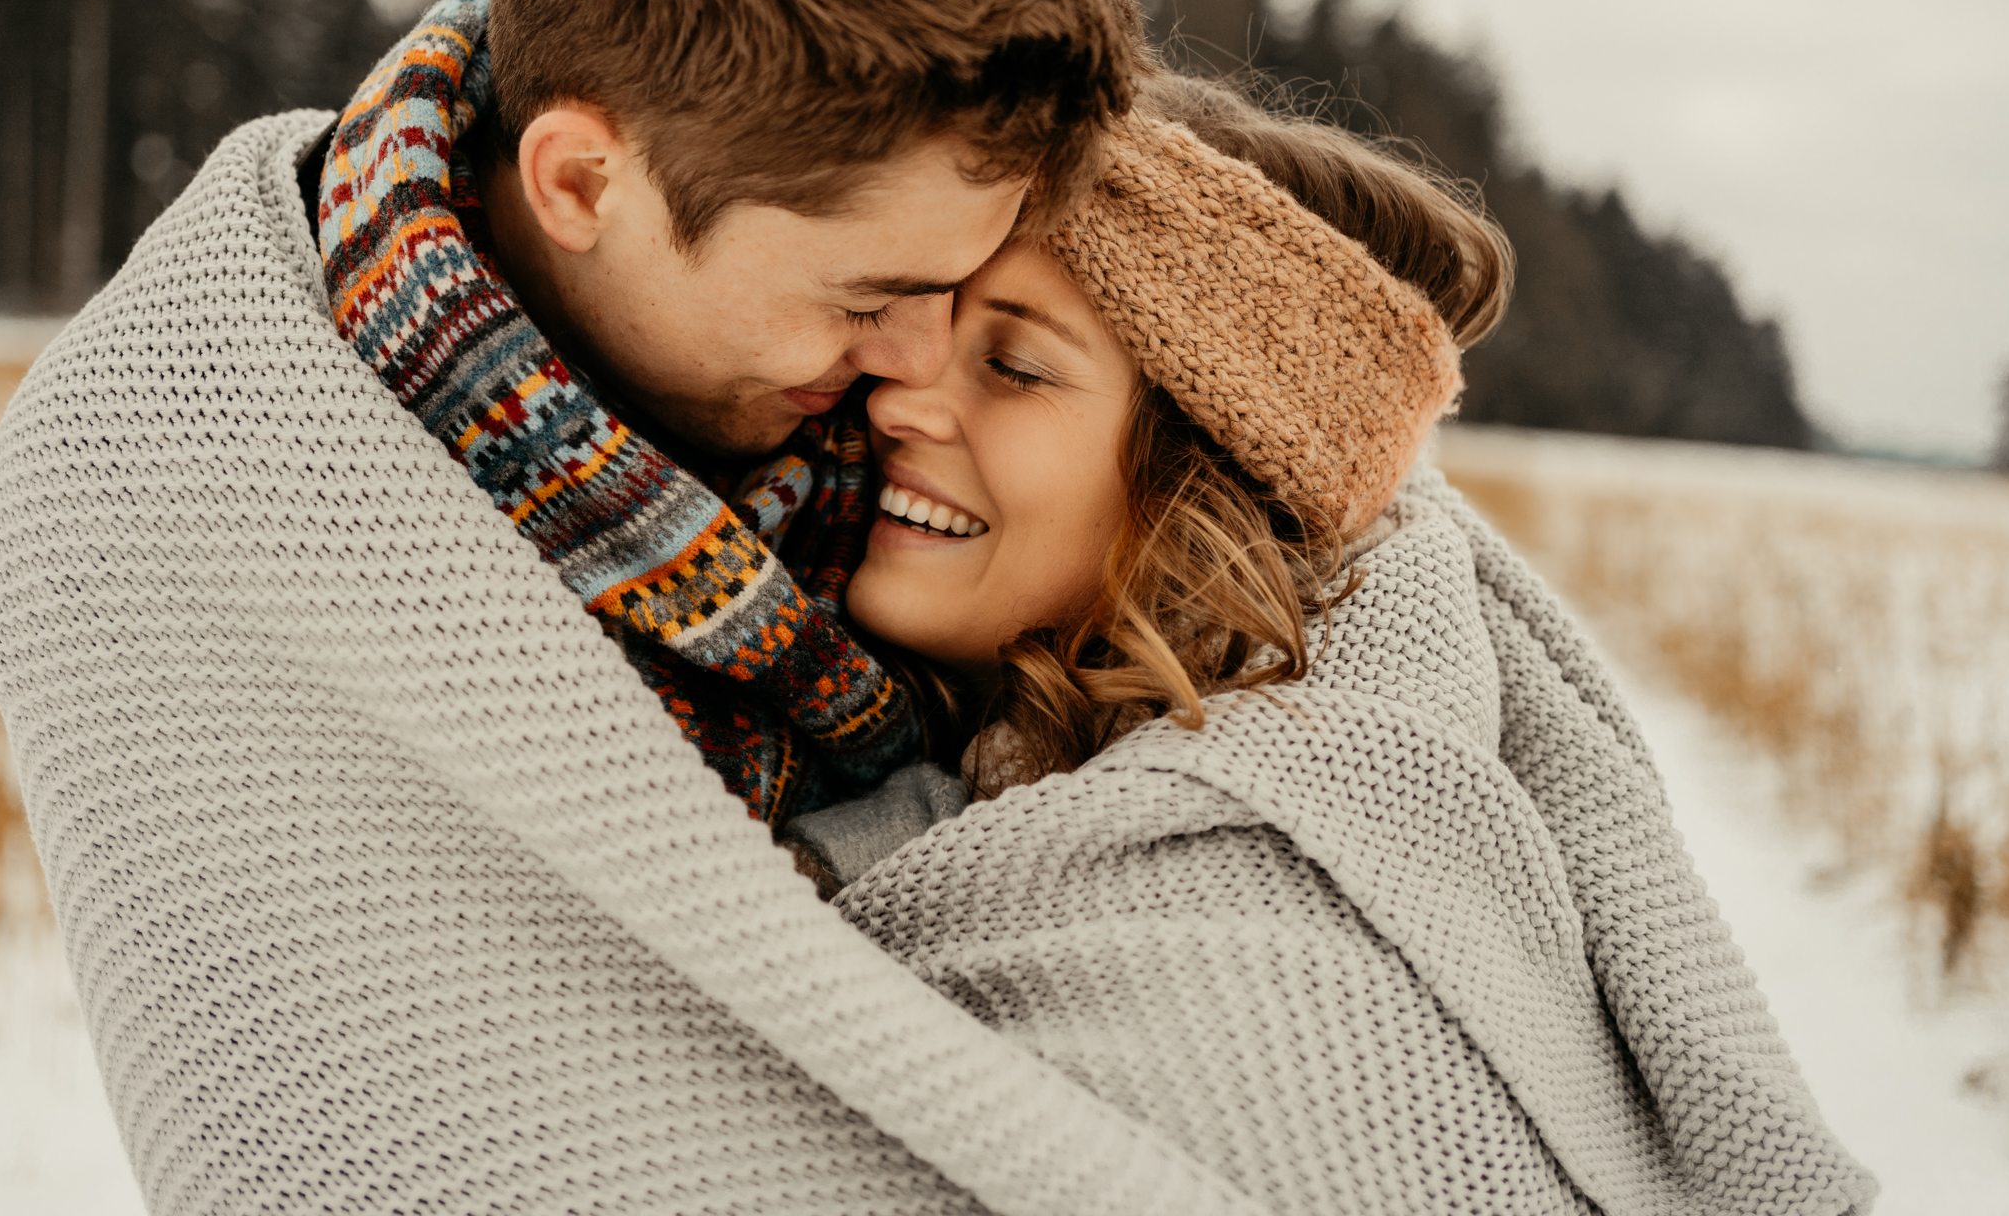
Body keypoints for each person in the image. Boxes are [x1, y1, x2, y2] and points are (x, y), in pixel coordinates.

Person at [0, 0, 1273, 1216]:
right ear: (583, 181)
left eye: (962, 296)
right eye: (872, 300)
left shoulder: (839, 339)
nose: (918, 375)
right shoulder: (176, 490)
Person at [788, 79, 1875, 1213]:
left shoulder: (1263, 979)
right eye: (925, 329)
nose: (898, 401)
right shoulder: (987, 755)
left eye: (1013, 366)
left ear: (1199, 485)